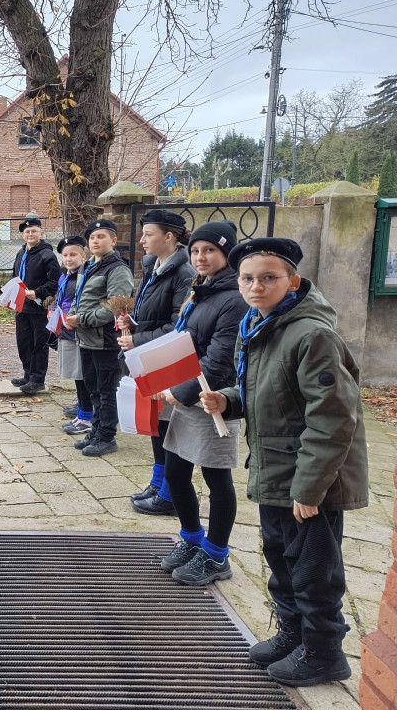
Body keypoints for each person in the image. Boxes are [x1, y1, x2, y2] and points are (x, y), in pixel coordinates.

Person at [200, 237, 368, 687]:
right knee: (280, 557)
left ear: (292, 281)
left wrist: (310, 489)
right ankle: (293, 635)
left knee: (314, 568)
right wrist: (227, 400)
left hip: (309, 478)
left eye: (269, 278)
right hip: (275, 467)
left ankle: (323, 652)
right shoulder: (260, 325)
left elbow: (333, 417)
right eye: (248, 278)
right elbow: (269, 393)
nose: (257, 286)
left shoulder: (310, 333)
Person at [152, 222, 247, 585]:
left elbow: (220, 359)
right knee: (175, 473)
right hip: (184, 397)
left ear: (227, 254)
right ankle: (191, 539)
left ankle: (217, 555)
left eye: (210, 250)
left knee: (216, 477)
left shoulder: (235, 298)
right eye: (196, 251)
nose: (200, 257)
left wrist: (182, 390)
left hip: (213, 402)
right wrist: (159, 377)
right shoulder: (200, 290)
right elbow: (182, 342)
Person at [120, 209, 195, 516]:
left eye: (148, 234)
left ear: (169, 236)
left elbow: (179, 326)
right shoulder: (151, 265)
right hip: (148, 356)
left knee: (166, 425)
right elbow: (149, 310)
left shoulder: (184, 273)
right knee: (155, 423)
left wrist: (137, 339)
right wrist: (132, 322)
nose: (142, 240)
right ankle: (158, 482)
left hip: (165, 359)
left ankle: (169, 494)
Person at [65, 218, 134, 456]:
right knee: (93, 389)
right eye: (92, 238)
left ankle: (107, 437)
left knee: (107, 392)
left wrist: (81, 320)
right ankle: (95, 431)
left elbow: (116, 308)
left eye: (101, 237)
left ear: (113, 241)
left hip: (105, 341)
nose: (95, 241)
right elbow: (81, 298)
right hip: (87, 340)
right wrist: (73, 315)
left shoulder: (118, 269)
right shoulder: (90, 266)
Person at [9, 216, 60, 394]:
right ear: (23, 235)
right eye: (26, 232)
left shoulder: (48, 255)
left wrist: (37, 292)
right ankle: (28, 374)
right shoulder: (21, 253)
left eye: (33, 231)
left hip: (39, 308)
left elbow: (55, 282)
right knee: (24, 343)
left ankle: (38, 380)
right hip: (22, 307)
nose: (30, 234)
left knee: (39, 344)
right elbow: (15, 277)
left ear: (41, 233)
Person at [49, 236, 93, 433]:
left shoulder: (84, 276)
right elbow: (60, 297)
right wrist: (51, 308)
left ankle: (86, 417)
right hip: (65, 329)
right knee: (76, 375)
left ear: (83, 256)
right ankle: (82, 411)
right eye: (65, 255)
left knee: (82, 374)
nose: (68, 259)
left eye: (73, 254)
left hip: (77, 330)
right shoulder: (65, 275)